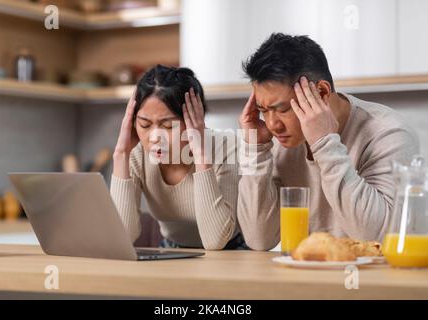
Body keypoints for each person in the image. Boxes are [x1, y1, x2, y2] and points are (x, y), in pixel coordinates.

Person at [237, 33, 420, 250]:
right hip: (306, 275)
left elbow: (379, 237)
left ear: (322, 92)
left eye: (283, 109)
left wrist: (324, 142)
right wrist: (255, 148)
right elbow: (259, 239)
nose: (273, 125)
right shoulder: (277, 142)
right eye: (263, 111)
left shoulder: (388, 133)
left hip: (374, 280)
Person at [110, 64, 244, 250]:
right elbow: (121, 237)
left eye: (168, 126)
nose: (155, 137)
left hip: (231, 252)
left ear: (196, 120)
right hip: (171, 250)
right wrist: (121, 154)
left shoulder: (226, 147)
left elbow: (215, 241)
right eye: (145, 124)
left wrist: (200, 154)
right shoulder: (137, 155)